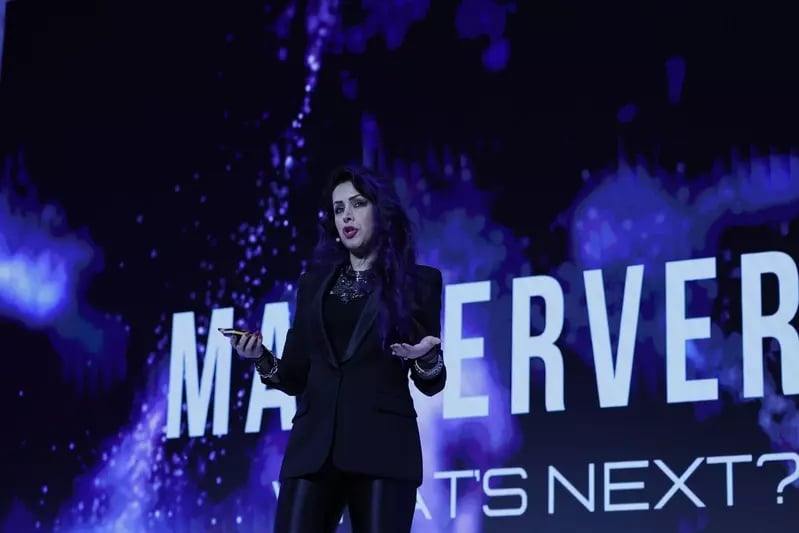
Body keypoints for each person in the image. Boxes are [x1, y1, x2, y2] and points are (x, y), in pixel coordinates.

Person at [232, 165, 446, 533]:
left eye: (357, 204)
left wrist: (426, 359)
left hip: (383, 450)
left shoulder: (419, 283)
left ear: (380, 210)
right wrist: (261, 359)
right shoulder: (313, 285)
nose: (346, 215)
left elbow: (430, 382)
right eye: (338, 208)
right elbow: (294, 375)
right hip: (313, 451)